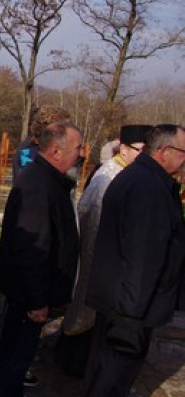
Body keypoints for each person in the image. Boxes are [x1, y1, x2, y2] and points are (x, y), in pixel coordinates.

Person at [83, 124, 185, 397]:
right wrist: (131, 315)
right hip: (130, 307)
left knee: (104, 373)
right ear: (163, 151)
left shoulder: (142, 178)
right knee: (111, 378)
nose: (184, 158)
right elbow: (142, 256)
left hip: (123, 300)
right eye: (183, 152)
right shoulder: (148, 188)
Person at [0, 117, 83, 397]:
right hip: (26, 297)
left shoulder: (48, 180)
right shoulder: (39, 185)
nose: (81, 154)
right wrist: (37, 300)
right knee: (15, 359)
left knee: (17, 357)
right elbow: (32, 249)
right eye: (77, 148)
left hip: (30, 294)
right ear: (56, 151)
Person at [57, 124, 151, 377]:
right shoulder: (109, 176)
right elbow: (96, 219)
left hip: (104, 256)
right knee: (86, 311)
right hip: (97, 253)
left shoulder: (124, 172)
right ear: (123, 147)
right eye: (139, 149)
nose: (143, 155)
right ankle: (73, 362)